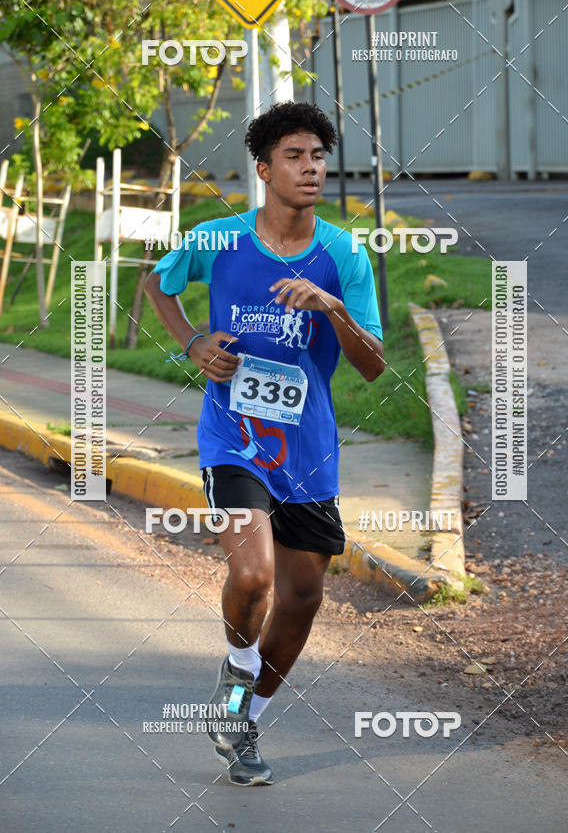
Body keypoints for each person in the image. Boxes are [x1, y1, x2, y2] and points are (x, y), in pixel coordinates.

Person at [144, 101, 385, 786]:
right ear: (263, 170)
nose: (310, 168)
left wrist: (332, 307)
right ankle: (238, 668)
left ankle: (243, 715)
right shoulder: (219, 239)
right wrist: (194, 341)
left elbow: (371, 366)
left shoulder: (343, 254)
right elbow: (157, 282)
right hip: (235, 437)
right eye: (294, 157)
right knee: (253, 577)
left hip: (308, 448)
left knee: (304, 597)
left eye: (317, 156)